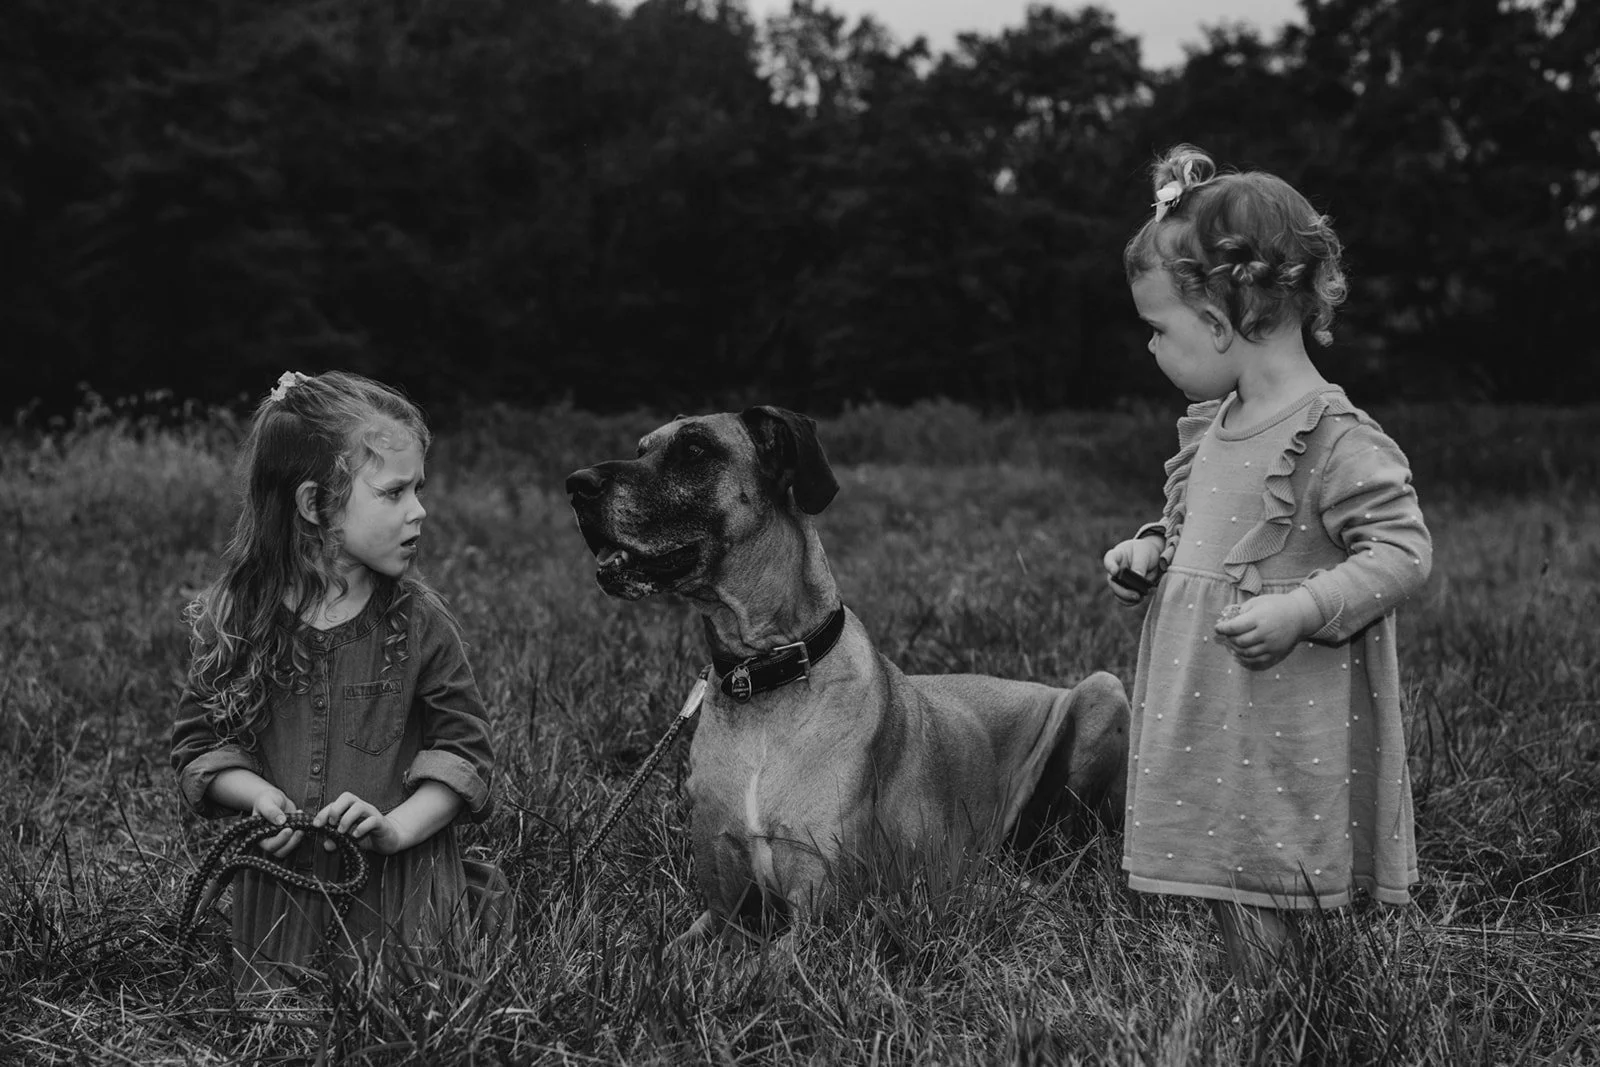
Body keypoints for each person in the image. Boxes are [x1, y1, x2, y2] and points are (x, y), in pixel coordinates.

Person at [1102, 145, 1433, 984]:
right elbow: (1201, 525)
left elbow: (1402, 551)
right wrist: (1153, 549)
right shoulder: (1218, 422)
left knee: (1268, 854)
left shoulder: (1332, 435)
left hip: (1284, 711)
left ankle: (1275, 1008)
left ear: (1218, 323)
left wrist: (1304, 608)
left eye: (1158, 330)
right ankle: (1253, 993)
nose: (1151, 351)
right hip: (1217, 703)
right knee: (1229, 851)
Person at [172, 369, 502, 995]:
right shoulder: (241, 620)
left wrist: (396, 827)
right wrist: (256, 797)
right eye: (393, 492)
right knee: (276, 1017)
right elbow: (201, 744)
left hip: (400, 878)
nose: (419, 510)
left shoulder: (418, 625)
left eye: (418, 489)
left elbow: (465, 754)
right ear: (314, 504)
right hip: (282, 885)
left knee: (405, 1001)